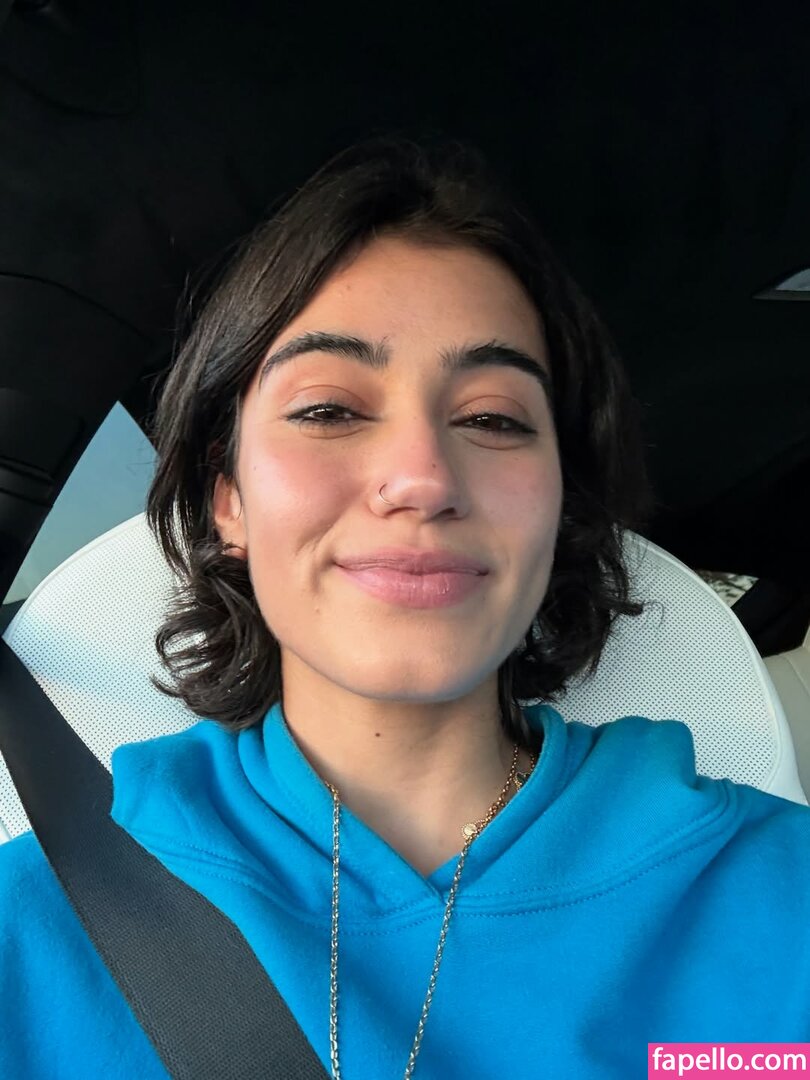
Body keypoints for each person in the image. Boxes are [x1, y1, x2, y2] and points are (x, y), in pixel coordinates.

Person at [1, 133, 809, 1080]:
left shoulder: (783, 894)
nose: (423, 477)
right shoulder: (30, 939)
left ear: (561, 508)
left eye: (493, 419)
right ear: (229, 500)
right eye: (329, 410)